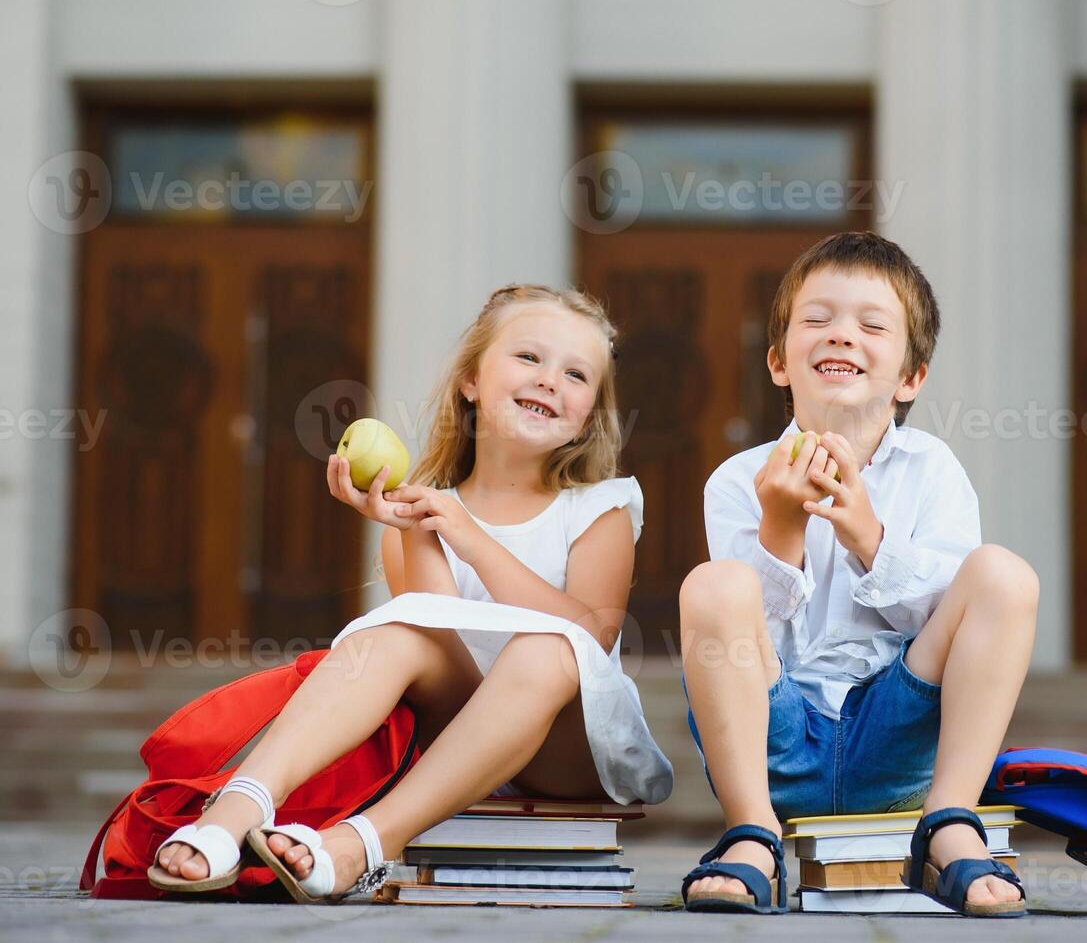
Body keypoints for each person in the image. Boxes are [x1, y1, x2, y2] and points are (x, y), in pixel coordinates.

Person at [149, 284, 671, 902]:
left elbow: (591, 635)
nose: (550, 379)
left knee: (545, 648)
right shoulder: (426, 507)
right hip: (460, 733)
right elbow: (433, 628)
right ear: (471, 381)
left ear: (589, 414)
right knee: (397, 631)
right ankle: (234, 810)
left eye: (576, 373)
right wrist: (416, 533)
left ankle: (360, 844)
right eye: (529, 358)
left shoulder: (601, 506)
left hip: (573, 748)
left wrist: (473, 540)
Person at [678, 232, 1039, 917]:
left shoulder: (934, 473)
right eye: (817, 319)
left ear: (911, 377)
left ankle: (951, 820)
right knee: (713, 585)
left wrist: (868, 536)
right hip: (777, 737)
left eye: (872, 325)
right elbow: (747, 631)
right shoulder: (737, 480)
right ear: (780, 361)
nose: (842, 335)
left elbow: (954, 617)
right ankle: (751, 832)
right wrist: (782, 527)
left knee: (1003, 575)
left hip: (895, 731)